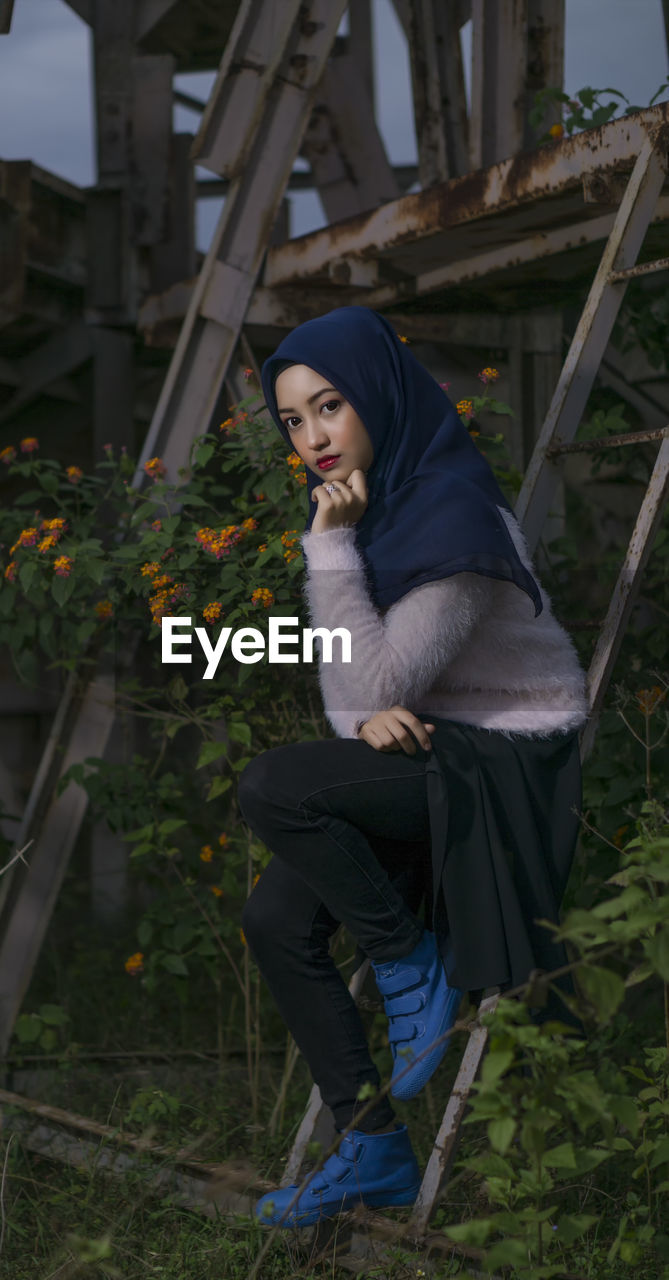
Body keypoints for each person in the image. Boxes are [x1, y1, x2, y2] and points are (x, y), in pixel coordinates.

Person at [236, 307, 588, 1228]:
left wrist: (326, 551)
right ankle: (374, 1147)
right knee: (273, 916)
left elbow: (372, 691)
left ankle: (407, 960)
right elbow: (356, 709)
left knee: (272, 785)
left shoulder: (450, 517)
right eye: (293, 421)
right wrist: (338, 557)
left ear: (380, 397)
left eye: (329, 407)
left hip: (504, 769)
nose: (313, 439)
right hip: (435, 750)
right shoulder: (378, 506)